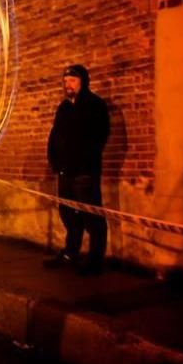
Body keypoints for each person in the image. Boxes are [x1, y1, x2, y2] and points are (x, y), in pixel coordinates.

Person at [45, 64, 110, 276]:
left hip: (85, 171)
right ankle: (71, 252)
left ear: (83, 81)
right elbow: (55, 136)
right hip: (64, 171)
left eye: (72, 80)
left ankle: (95, 259)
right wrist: (54, 160)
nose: (68, 85)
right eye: (65, 82)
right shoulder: (63, 108)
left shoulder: (95, 105)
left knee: (91, 215)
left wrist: (85, 160)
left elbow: (100, 135)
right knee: (68, 214)